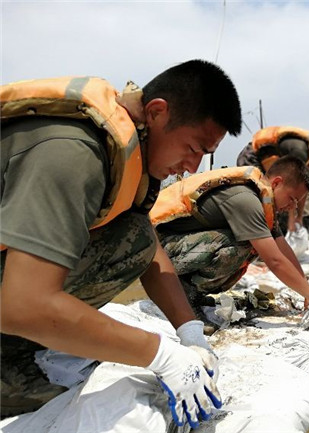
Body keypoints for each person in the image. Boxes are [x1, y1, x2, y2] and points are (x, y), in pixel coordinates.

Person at [0, 60, 242, 428]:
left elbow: (146, 244)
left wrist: (190, 332)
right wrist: (160, 355)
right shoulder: (74, 151)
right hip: (16, 301)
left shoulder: (136, 151)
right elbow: (23, 304)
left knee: (135, 237)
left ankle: (23, 343)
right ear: (157, 112)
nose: (193, 167)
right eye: (193, 148)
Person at [150, 156, 309, 325]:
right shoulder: (246, 199)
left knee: (254, 243)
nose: (292, 206)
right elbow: (275, 260)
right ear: (277, 183)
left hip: (177, 247)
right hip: (157, 250)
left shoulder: (263, 201)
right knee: (245, 245)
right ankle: (183, 294)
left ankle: (194, 293)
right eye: (292, 199)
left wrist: (308, 291)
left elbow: (283, 249)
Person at [236, 126, 309, 233]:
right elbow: (291, 188)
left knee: (279, 209)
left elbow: (302, 190)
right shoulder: (300, 152)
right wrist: (291, 221)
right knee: (262, 200)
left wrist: (299, 216)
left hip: (272, 169)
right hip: (253, 158)